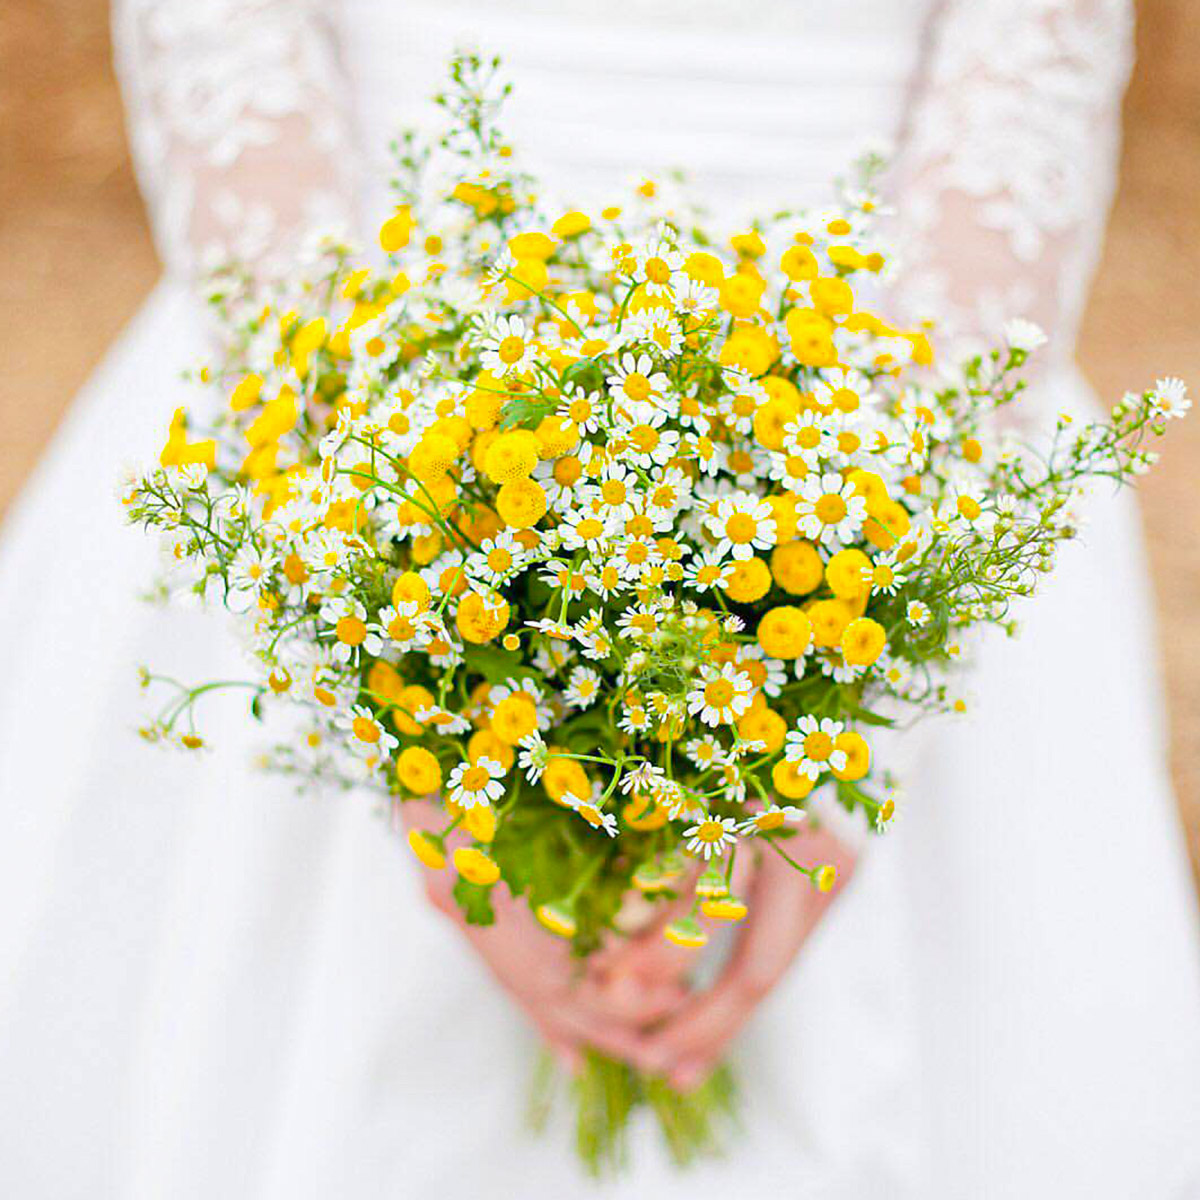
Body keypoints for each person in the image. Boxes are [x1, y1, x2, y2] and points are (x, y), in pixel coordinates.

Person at [1, 1, 1198, 1195]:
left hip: (887, 410)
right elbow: (224, 47)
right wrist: (381, 662)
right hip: (365, 407)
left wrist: (863, 708)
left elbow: (1023, 98)